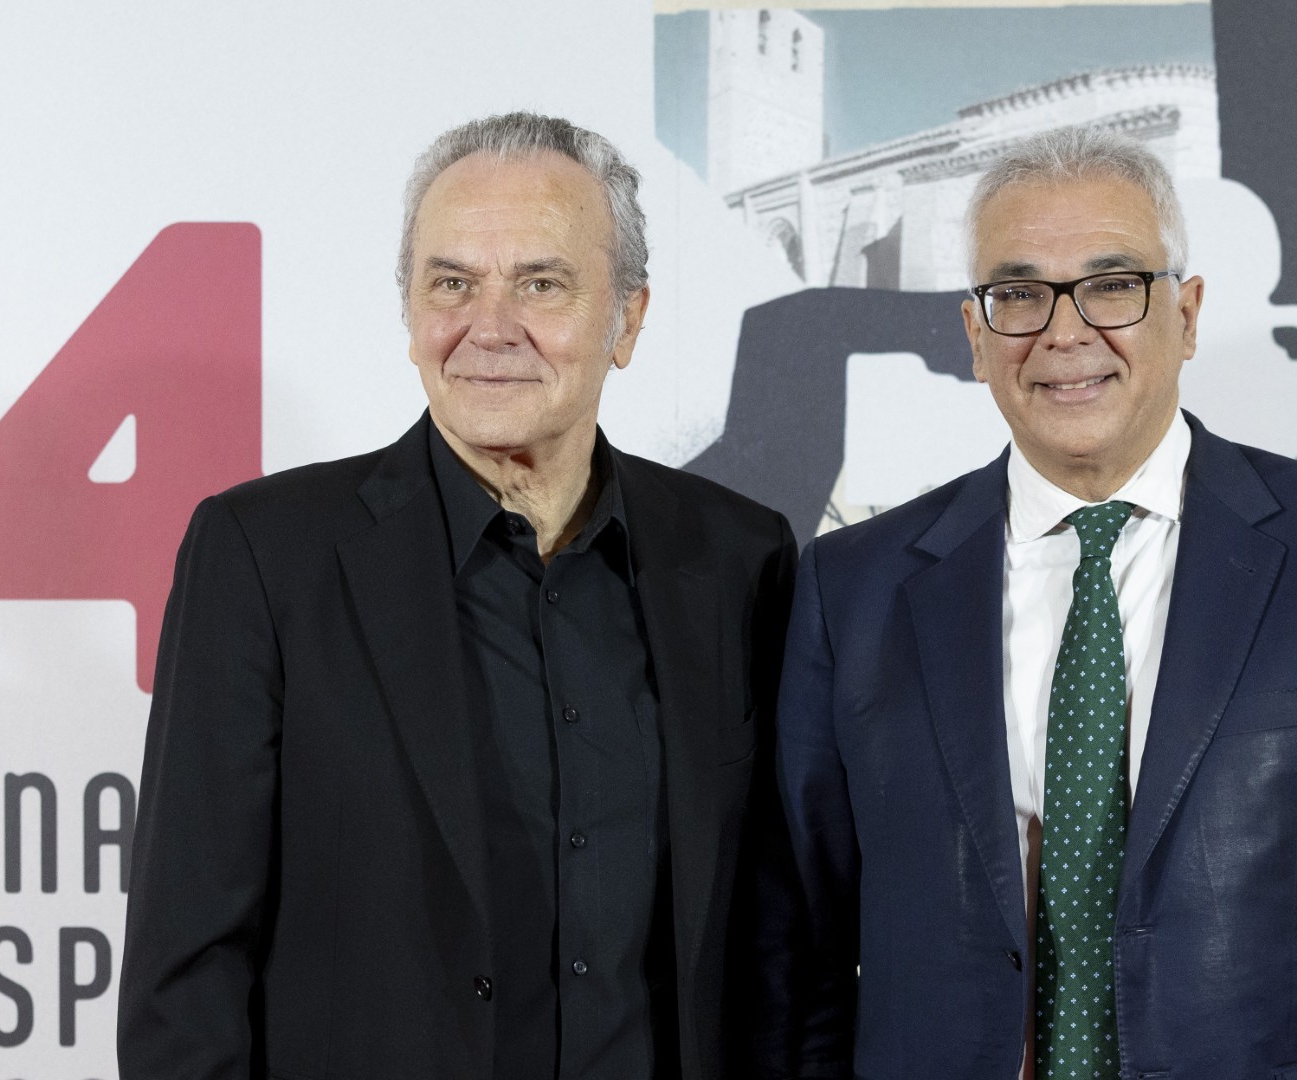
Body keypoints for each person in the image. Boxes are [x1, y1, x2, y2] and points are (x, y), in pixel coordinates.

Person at [771, 126, 1297, 1079]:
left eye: (1112, 285)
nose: (1065, 333)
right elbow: (802, 955)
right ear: (976, 337)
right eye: (1019, 295)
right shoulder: (852, 587)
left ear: (1186, 316)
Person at [118, 111, 796, 1080]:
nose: (489, 327)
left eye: (541, 283)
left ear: (629, 319)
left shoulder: (738, 557)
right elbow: (184, 977)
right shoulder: (265, 555)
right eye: (451, 284)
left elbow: (776, 942)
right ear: (409, 313)